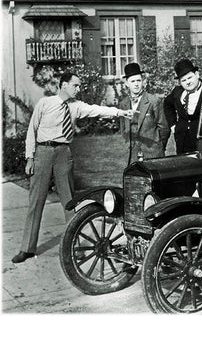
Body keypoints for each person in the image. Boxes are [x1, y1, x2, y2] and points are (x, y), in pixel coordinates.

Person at [12, 72, 134, 264]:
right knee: (36, 202)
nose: (79, 89)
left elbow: (97, 110)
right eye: (75, 85)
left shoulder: (76, 107)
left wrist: (120, 112)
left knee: (69, 202)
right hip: (43, 153)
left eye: (79, 86)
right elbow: (31, 131)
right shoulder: (45, 103)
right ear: (63, 85)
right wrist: (29, 157)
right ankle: (27, 248)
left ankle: (75, 246)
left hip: (63, 154)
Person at [119, 62, 170, 165]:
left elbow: (164, 129)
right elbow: (123, 130)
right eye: (132, 81)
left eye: (139, 80)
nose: (136, 84)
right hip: (132, 155)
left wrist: (158, 147)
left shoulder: (153, 101)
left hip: (153, 153)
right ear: (127, 83)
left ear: (143, 81)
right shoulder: (123, 104)